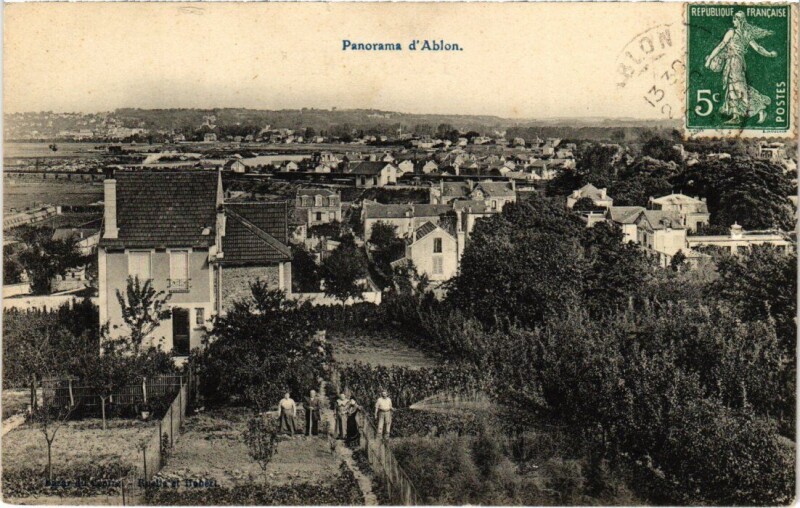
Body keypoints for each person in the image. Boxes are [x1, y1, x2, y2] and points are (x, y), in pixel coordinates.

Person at [704, 11, 777, 124]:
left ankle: (758, 110)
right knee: (734, 87)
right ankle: (738, 115)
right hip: (735, 63)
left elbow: (720, 46)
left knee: (738, 88)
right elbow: (758, 48)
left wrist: (709, 60)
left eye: (735, 19)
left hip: (735, 63)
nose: (733, 21)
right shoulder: (745, 34)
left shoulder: (732, 33)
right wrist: (769, 54)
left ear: (740, 21)